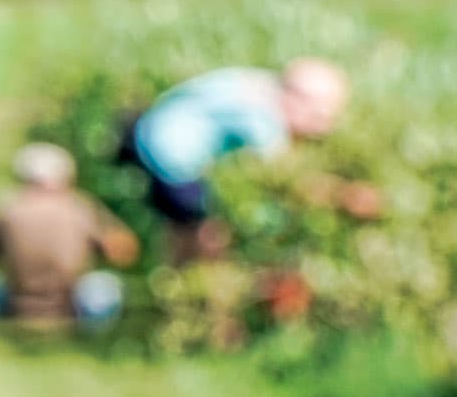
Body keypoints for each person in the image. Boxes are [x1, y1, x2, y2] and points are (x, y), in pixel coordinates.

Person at [125, 57, 364, 263]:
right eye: (319, 116)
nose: (323, 128)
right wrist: (344, 197)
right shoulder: (263, 120)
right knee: (203, 236)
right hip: (168, 155)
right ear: (297, 99)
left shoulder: (262, 86)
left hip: (150, 126)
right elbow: (287, 180)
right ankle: (189, 284)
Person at [0, 143, 139, 329]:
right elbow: (121, 251)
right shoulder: (78, 208)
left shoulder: (8, 209)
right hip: (68, 306)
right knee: (108, 286)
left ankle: (4, 325)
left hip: (16, 303)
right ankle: (94, 336)